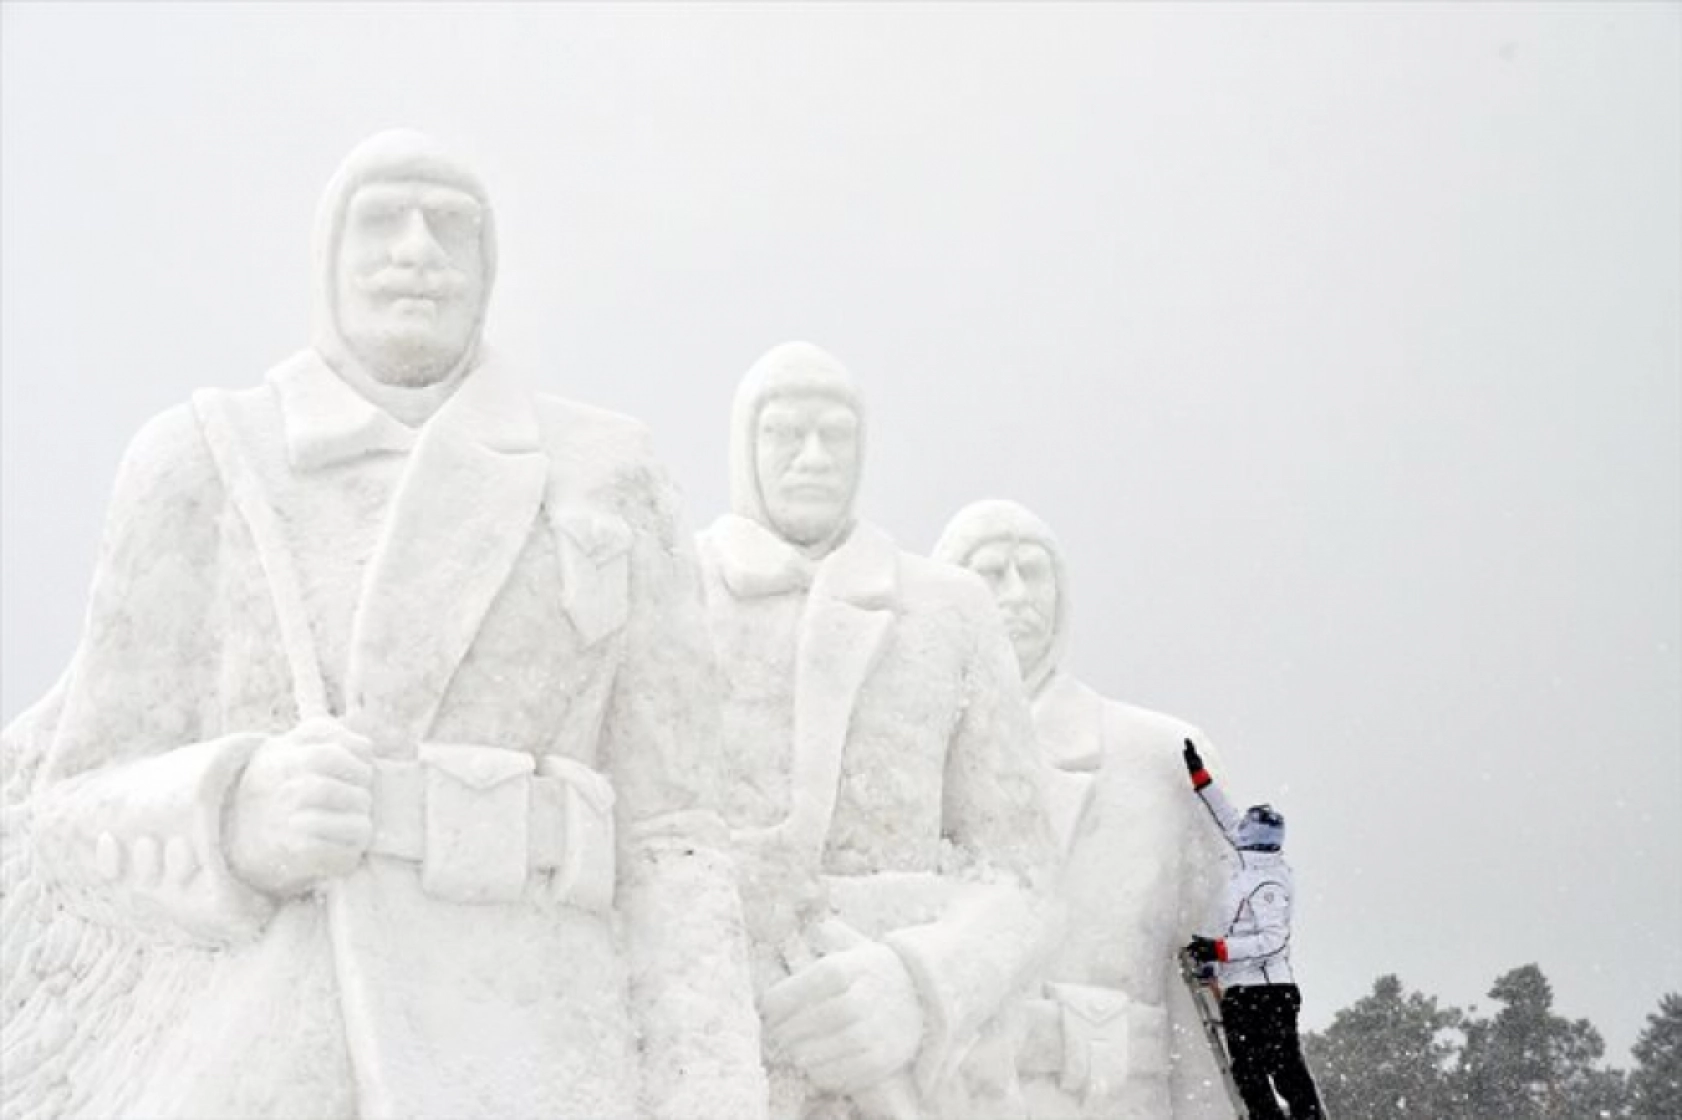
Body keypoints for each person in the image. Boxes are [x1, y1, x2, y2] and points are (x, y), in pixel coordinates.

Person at [0, 129, 765, 1120]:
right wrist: (233, 813)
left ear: (488, 267)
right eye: (382, 222)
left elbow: (674, 836)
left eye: (450, 226)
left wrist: (707, 1089)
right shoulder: (205, 460)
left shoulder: (607, 472)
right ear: (328, 258)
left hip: (537, 1036)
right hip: (283, 1042)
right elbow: (74, 806)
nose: (416, 250)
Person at [696, 342, 1055, 1120]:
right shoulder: (675, 594)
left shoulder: (952, 609)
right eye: (785, 434)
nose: (813, 458)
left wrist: (919, 985)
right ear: (742, 445)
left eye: (836, 435)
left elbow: (1026, 878)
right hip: (724, 1051)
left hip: (906, 1075)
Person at [934, 500, 1229, 1119]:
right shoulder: (907, 762)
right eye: (990, 573)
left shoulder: (1161, 758)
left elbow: (1212, 992)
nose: (1016, 594)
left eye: (1032, 572)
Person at [1181, 739, 1325, 1120]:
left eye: (1246, 825)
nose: (1238, 826)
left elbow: (1272, 941)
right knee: (1248, 1071)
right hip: (1244, 991)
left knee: (1282, 1070)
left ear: (1255, 835)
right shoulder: (1251, 859)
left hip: (1267, 992)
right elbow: (1226, 817)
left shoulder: (1269, 884)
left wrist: (1220, 950)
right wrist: (1200, 778)